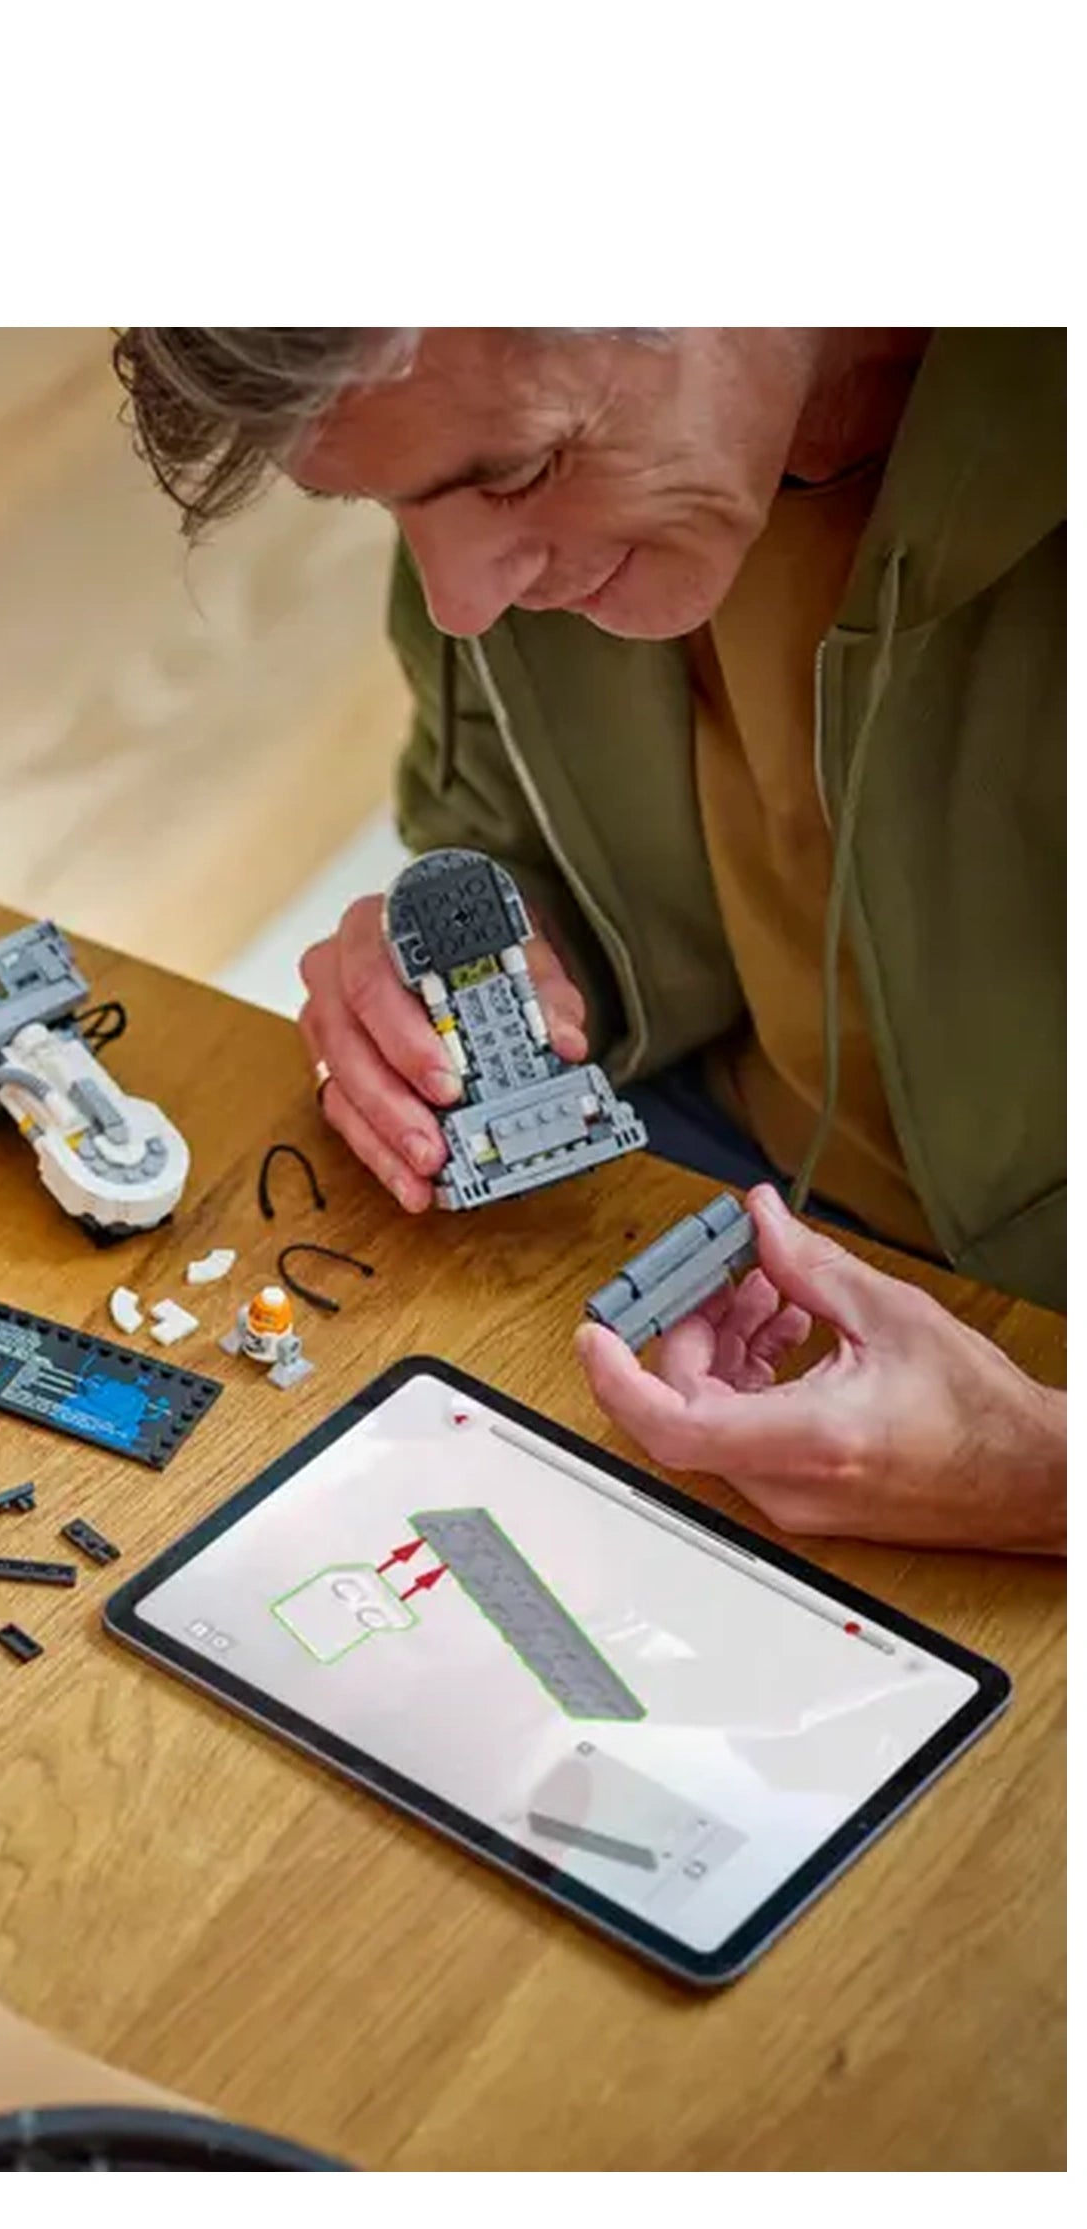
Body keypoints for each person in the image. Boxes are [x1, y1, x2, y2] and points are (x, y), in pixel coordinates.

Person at [110, 327, 1063, 1551]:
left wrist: (1037, 1475)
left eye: (511, 473)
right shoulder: (487, 417)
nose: (461, 597)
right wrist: (489, 963)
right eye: (385, 504)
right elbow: (506, 826)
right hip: (705, 1172)